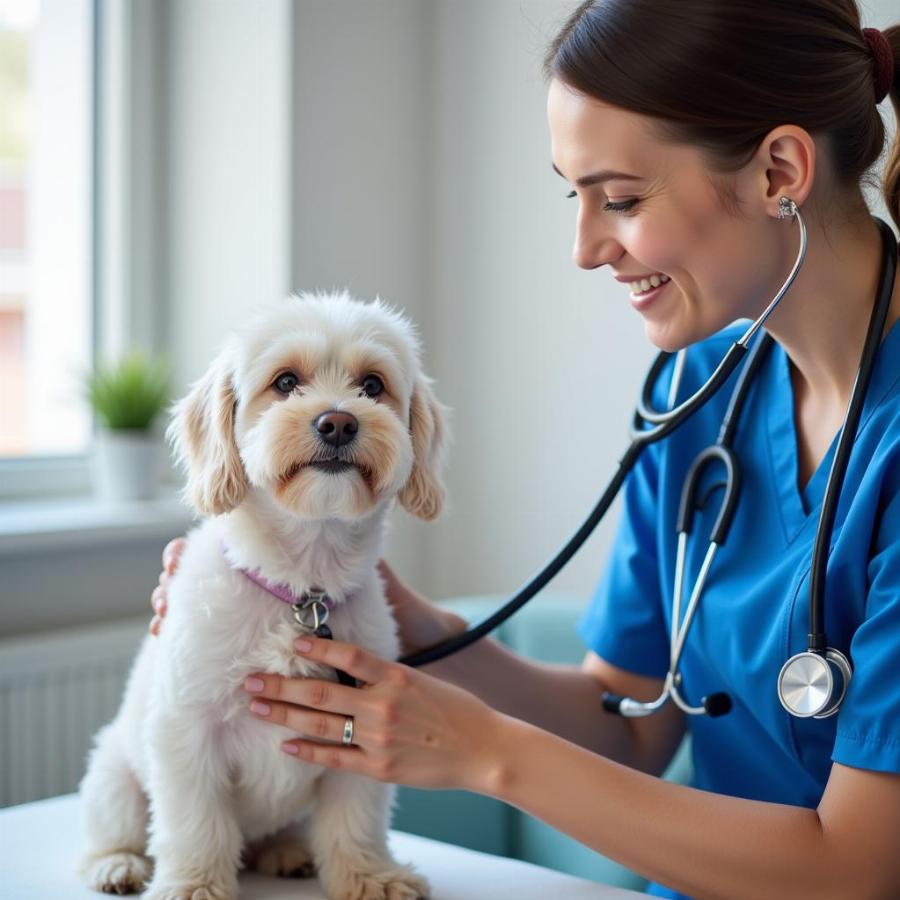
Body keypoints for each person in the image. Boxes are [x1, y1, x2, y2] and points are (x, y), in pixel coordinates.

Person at [150, 2, 900, 897]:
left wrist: (484, 752)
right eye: (572, 194)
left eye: (619, 198)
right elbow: (629, 722)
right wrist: (409, 624)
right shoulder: (699, 397)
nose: (583, 248)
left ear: (779, 169)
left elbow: (857, 866)